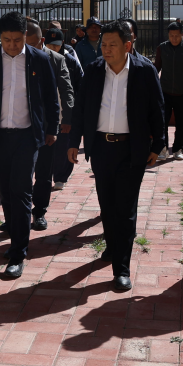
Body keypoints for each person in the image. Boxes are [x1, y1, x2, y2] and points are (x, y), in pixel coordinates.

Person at [68, 20, 166, 292]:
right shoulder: (94, 70)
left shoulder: (144, 71)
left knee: (125, 208)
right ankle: (113, 245)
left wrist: (158, 145)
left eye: (112, 45)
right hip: (101, 148)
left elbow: (157, 109)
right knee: (107, 204)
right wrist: (74, 141)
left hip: (131, 149)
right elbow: (81, 107)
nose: (106, 49)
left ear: (127, 45)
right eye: (103, 44)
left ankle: (121, 269)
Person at [0, 11, 60, 279]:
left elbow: (51, 97)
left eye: (17, 40)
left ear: (25, 36)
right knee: (6, 190)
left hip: (27, 137)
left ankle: (18, 253)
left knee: (21, 191)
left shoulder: (39, 60)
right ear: (0, 37)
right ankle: (15, 232)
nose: (12, 45)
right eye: (7, 40)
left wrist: (52, 129)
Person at [25, 20, 73, 227]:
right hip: (20, 125)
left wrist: (67, 118)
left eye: (32, 44)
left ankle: (40, 212)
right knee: (19, 174)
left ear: (42, 41)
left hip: (46, 126)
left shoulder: (56, 59)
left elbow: (66, 90)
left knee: (44, 173)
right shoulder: (14, 58)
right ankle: (17, 215)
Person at [153, 21, 183, 159]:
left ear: (182, 34)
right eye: (171, 35)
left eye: (176, 36)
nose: (174, 38)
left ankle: (178, 149)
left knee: (181, 123)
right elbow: (156, 68)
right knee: (163, 122)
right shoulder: (162, 48)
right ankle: (163, 149)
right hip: (165, 91)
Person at [45, 27, 83, 189]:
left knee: (64, 146)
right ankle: (46, 177)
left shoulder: (71, 61)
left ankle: (61, 177)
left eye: (57, 45)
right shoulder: (41, 58)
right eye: (50, 45)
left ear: (62, 43)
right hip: (47, 113)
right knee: (47, 147)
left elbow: (79, 85)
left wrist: (74, 110)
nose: (54, 48)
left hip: (66, 111)